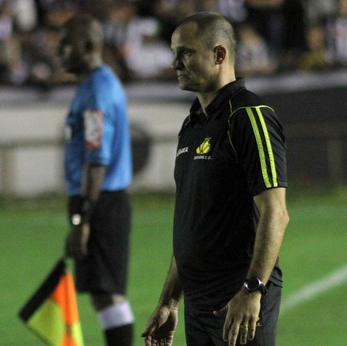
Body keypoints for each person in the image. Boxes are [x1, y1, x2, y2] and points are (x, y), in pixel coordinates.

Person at [141, 12, 290, 346]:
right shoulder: (192, 124)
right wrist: (169, 300)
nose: (175, 62)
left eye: (186, 52)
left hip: (238, 300)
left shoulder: (249, 117)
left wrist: (252, 291)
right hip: (198, 303)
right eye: (174, 52)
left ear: (219, 55)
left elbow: (276, 213)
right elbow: (192, 223)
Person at [59, 14, 134, 345]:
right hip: (102, 199)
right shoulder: (97, 84)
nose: (59, 51)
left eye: (66, 45)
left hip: (101, 201)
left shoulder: (96, 93)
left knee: (108, 293)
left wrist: (83, 218)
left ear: (88, 47)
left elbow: (97, 160)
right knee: (103, 294)